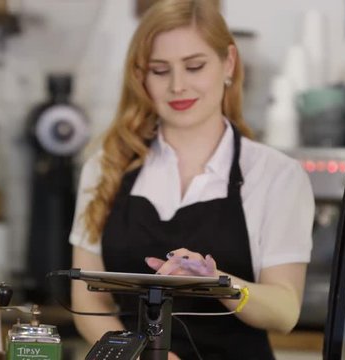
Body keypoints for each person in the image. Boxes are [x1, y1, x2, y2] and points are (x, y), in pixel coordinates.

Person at [68, 0, 314, 358]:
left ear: (228, 63)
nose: (178, 85)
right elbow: (91, 306)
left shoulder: (276, 175)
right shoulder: (106, 166)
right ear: (141, 77)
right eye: (160, 70)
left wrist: (220, 285)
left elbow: (285, 311)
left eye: (194, 66)